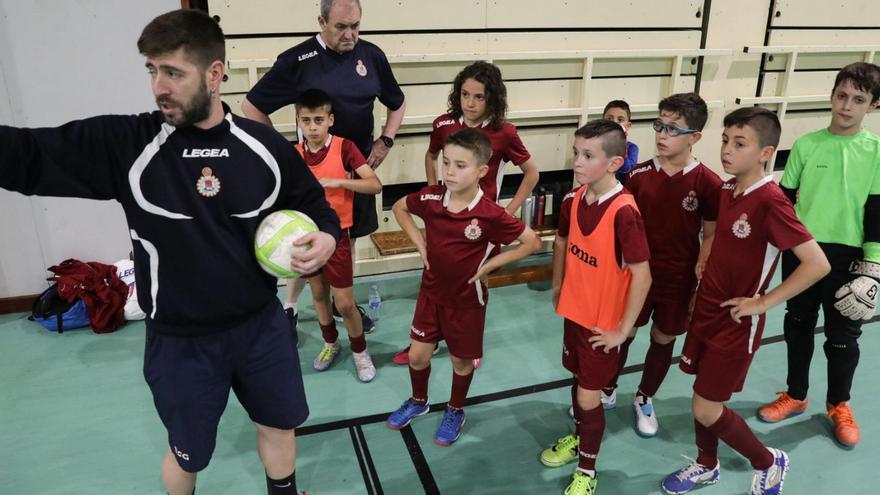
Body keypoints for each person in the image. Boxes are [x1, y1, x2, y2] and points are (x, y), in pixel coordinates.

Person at [0, 10, 340, 495]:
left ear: (216, 74)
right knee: (188, 454)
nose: (158, 86)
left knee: (279, 425)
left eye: (173, 73)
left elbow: (313, 204)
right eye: (152, 71)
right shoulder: (128, 145)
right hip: (181, 343)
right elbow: (29, 155)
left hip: (260, 327)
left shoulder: (263, 145)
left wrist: (326, 236)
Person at [661, 106, 830, 495]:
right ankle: (706, 465)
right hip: (707, 308)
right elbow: (724, 238)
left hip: (737, 321)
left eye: (739, 144)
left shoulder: (771, 201)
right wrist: (706, 261)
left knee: (707, 407)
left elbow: (816, 264)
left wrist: (764, 302)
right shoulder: (726, 189)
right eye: (724, 141)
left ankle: (769, 462)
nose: (727, 150)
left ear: (766, 152)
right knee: (700, 398)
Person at [242, 0, 406, 333]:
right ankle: (289, 308)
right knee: (304, 239)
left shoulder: (371, 56)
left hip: (354, 167)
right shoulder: (296, 60)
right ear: (321, 21)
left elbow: (398, 103)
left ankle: (341, 300)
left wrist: (385, 141)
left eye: (356, 26)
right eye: (341, 27)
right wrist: (285, 155)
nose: (351, 34)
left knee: (348, 237)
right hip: (312, 173)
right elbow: (251, 105)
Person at [385, 128, 540, 446]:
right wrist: (419, 242)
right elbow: (400, 207)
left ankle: (455, 409)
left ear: (482, 171)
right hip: (430, 294)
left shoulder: (490, 214)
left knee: (460, 361)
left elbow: (532, 242)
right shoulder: (430, 199)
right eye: (446, 163)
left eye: (460, 165)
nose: (450, 172)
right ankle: (419, 401)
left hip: (468, 301)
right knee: (417, 357)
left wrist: (491, 265)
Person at [756, 62, 880, 449]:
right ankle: (795, 394)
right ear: (831, 97)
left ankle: (838, 404)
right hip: (803, 253)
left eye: (858, 99)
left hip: (850, 258)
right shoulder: (807, 146)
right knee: (797, 323)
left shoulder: (876, 152)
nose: (846, 106)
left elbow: (876, 211)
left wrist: (874, 266)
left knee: (844, 336)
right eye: (841, 96)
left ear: (872, 106)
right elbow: (785, 205)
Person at [393, 60, 540, 366]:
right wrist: (433, 191)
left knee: (476, 281)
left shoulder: (504, 132)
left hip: (481, 222)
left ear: (493, 99)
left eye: (479, 97)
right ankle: (427, 340)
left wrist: (510, 210)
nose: (470, 103)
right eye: (465, 94)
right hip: (445, 216)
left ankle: (468, 344)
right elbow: (431, 155)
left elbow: (532, 173)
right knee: (434, 271)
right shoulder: (444, 124)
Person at [539, 120, 652, 495]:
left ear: (614, 162)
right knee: (576, 381)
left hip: (603, 327)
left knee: (589, 397)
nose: (577, 162)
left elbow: (643, 276)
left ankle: (587, 471)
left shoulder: (624, 212)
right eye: (576, 153)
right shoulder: (573, 200)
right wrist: (558, 285)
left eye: (588, 155)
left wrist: (622, 330)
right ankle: (579, 439)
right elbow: (560, 244)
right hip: (575, 313)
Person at [601, 93, 722, 437]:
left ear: (695, 137)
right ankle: (608, 388)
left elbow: (710, 234)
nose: (662, 134)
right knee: (624, 332)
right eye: (659, 125)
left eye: (673, 129)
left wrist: (701, 266)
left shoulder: (708, 183)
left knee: (663, 336)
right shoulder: (637, 176)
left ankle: (644, 397)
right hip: (636, 275)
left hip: (678, 279)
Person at [293, 89, 381, 382]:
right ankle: (331, 343)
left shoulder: (345, 147)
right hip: (307, 236)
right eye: (306, 120)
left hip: (337, 235)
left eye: (318, 119)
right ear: (299, 121)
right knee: (318, 294)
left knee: (344, 303)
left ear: (330, 119)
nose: (312, 127)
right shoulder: (293, 153)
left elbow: (374, 184)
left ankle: (360, 351)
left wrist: (338, 181)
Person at [601, 99, 640, 183]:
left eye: (620, 120)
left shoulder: (632, 148)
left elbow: (626, 169)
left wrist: (622, 144)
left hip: (621, 191)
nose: (614, 123)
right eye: (609, 118)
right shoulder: (595, 144)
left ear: (628, 126)